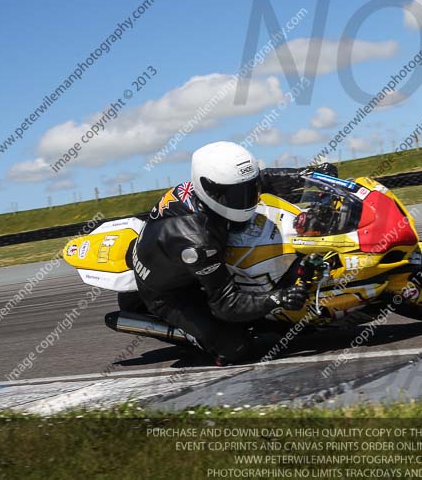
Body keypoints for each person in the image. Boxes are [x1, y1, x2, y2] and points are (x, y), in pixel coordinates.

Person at [124, 141, 337, 365]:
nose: (247, 199)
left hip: (180, 253)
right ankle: (199, 337)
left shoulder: (221, 186)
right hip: (170, 292)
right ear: (210, 190)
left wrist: (309, 176)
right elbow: (226, 305)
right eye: (237, 195)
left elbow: (264, 179)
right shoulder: (197, 242)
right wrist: (278, 298)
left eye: (248, 190)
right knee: (236, 348)